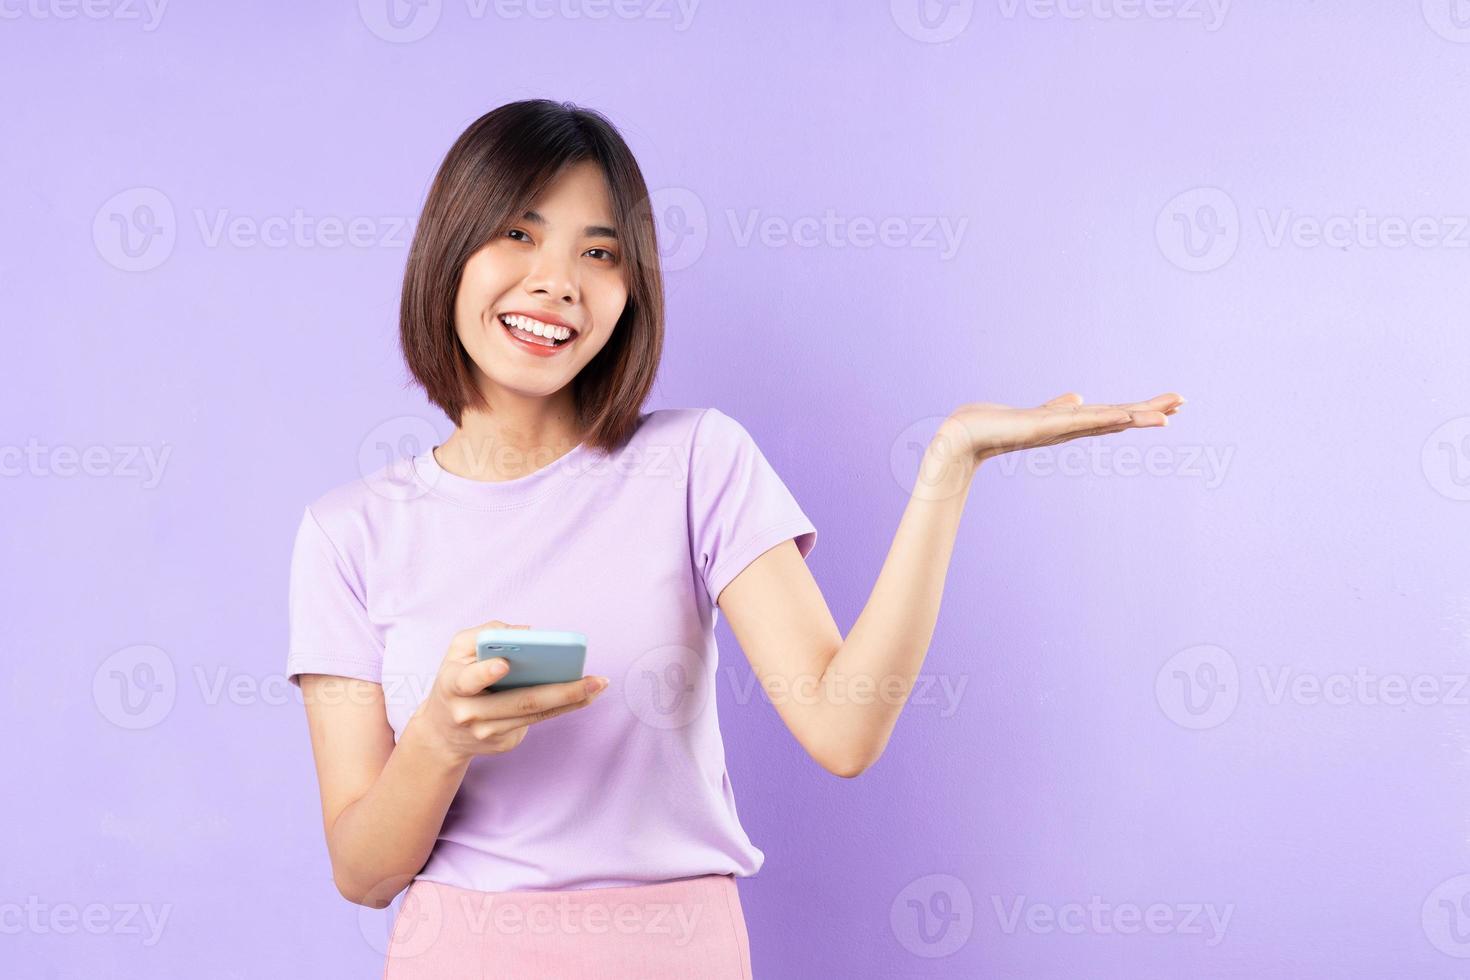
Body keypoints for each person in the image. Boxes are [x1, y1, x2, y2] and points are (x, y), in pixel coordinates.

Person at [285, 98, 1183, 978]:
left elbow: (845, 727)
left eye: (599, 252)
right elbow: (364, 874)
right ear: (449, 247)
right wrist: (441, 738)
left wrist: (949, 467)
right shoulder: (347, 533)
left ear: (631, 290)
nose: (557, 281)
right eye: (518, 234)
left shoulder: (695, 462)